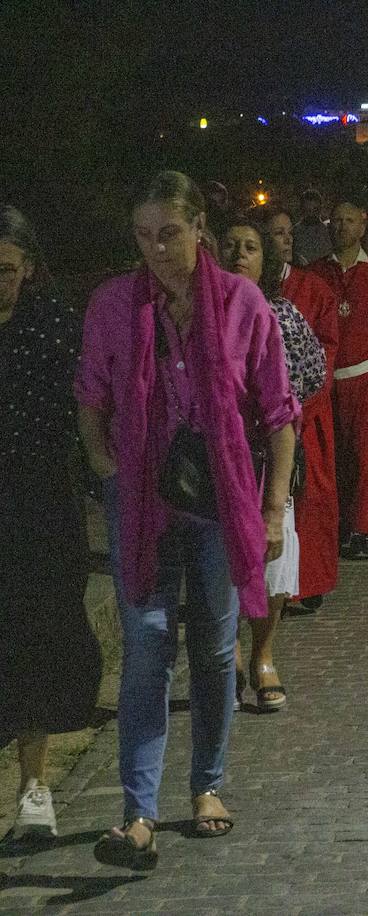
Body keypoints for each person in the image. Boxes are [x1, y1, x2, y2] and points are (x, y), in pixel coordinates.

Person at [77, 172, 298, 866]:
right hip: (141, 495)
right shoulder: (114, 303)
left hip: (220, 495)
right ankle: (137, 812)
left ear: (199, 226)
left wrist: (273, 505)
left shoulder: (241, 302)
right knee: (146, 647)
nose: (156, 250)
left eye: (169, 233)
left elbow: (279, 412)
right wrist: (104, 462)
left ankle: (207, 786)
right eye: (143, 236)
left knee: (212, 642)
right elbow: (90, 393)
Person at [0, 205, 101, 842]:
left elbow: (89, 414)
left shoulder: (56, 329)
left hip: (38, 513)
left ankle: (34, 788)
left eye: (6, 270)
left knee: (32, 647)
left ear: (28, 268)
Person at [220, 217, 327, 712]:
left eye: (251, 247)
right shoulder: (199, 313)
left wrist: (275, 412)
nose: (240, 254)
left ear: (267, 261)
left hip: (270, 455)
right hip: (215, 462)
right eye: (231, 246)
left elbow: (311, 374)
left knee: (275, 554)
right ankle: (230, 652)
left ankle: (263, 654)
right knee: (218, 561)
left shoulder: (282, 314)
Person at [308, 201, 368, 561]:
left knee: (367, 458)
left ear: (363, 227)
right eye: (337, 221)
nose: (342, 227)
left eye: (350, 220)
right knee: (334, 460)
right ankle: (336, 525)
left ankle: (361, 529)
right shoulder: (316, 275)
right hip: (327, 380)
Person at [265, 209, 339, 611]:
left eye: (289, 232)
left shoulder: (312, 288)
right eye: (276, 233)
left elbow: (324, 350)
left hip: (307, 412)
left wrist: (301, 402)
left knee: (309, 500)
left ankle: (306, 583)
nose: (286, 240)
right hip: (260, 420)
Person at [292, 189, 332, 266]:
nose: (311, 214)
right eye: (308, 210)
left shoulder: (329, 232)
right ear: (302, 209)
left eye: (315, 210)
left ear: (320, 209)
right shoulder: (294, 233)